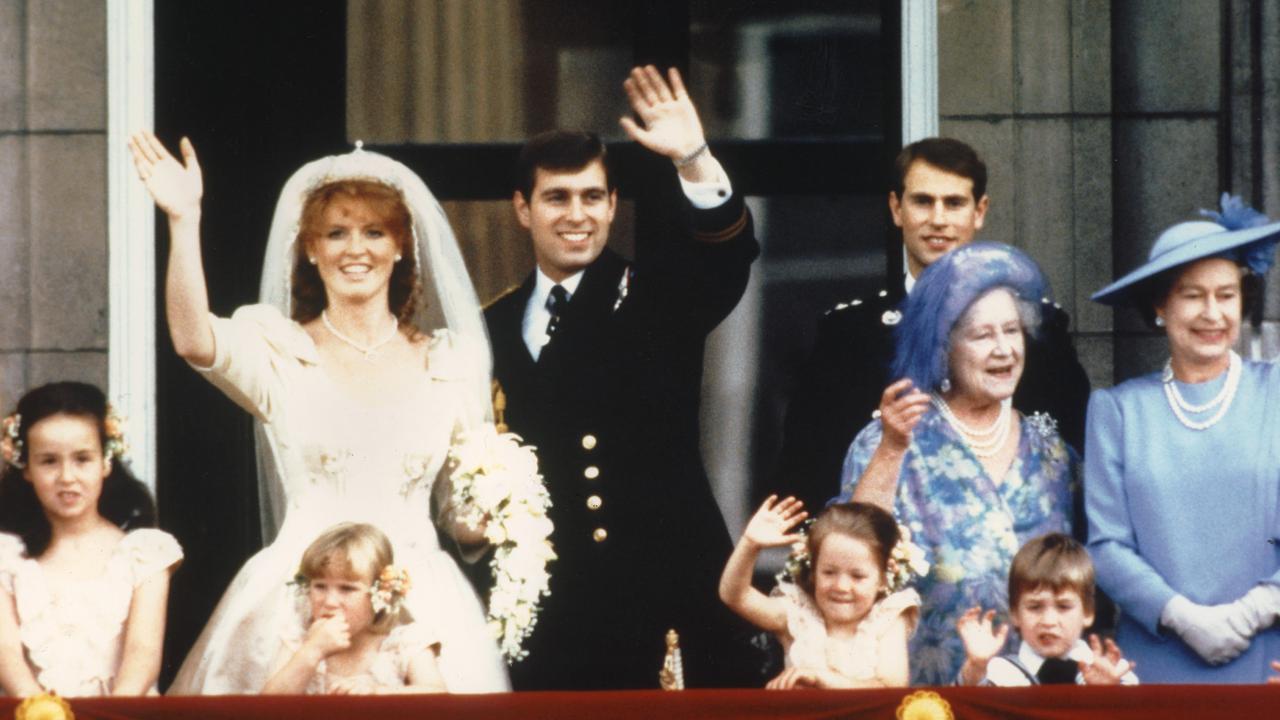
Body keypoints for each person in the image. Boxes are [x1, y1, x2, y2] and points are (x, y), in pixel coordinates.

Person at [128, 132, 509, 693]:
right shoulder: (280, 351)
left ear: (401, 246)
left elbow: (459, 515)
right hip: (299, 598)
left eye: (374, 232)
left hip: (421, 599)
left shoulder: (450, 362)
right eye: (336, 234)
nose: (356, 249)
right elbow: (193, 340)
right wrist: (184, 221)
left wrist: (505, 510)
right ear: (310, 248)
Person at [484, 65, 757, 689]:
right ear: (523, 210)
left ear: (612, 206)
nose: (576, 215)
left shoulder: (655, 296)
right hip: (552, 617)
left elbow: (727, 256)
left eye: (591, 197)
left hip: (661, 599)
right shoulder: (492, 325)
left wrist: (693, 157)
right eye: (556, 197)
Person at [776, 138, 1090, 513]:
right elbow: (806, 473)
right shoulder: (848, 334)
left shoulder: (1038, 328)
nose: (938, 219)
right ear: (896, 208)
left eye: (954, 203)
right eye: (922, 201)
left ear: (980, 211)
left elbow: (1076, 455)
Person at [835, 242, 1076, 685]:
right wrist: (891, 449)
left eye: (1012, 331)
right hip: (925, 700)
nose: (1004, 349)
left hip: (1036, 696)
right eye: (982, 335)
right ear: (943, 348)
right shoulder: (890, 440)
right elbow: (853, 550)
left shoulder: (1053, 452)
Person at [1086, 194, 1280, 683]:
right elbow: (1106, 546)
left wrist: (1253, 612)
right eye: (1192, 295)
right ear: (1160, 304)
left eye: (1226, 294)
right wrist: (1183, 617)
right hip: (1154, 662)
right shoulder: (1119, 411)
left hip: (1268, 659)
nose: (1211, 313)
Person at [0, 382, 183, 697]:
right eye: (49, 461)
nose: (67, 477)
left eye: (82, 459)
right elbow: (7, 655)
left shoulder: (144, 553)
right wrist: (42, 712)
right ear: (26, 468)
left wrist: (112, 712)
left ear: (106, 462)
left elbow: (143, 653)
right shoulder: (7, 556)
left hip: (123, 713)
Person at [719, 497, 918, 689]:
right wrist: (750, 545)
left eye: (857, 576)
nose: (841, 586)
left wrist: (822, 679)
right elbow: (735, 596)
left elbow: (891, 688)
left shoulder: (887, 619)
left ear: (883, 579)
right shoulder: (798, 613)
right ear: (813, 573)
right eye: (829, 572)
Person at [263, 523, 446, 694]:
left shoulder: (403, 642)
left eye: (347, 589)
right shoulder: (300, 639)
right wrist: (312, 651)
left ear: (382, 593)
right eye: (320, 586)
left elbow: (439, 696)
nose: (330, 602)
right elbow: (268, 706)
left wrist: (379, 692)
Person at [956, 533, 1136, 686]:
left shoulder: (1115, 672)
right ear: (1015, 613)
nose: (1048, 621)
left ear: (1088, 611)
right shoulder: (998, 675)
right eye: (1035, 607)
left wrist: (1111, 697)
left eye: (1063, 607)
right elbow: (962, 710)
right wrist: (976, 666)